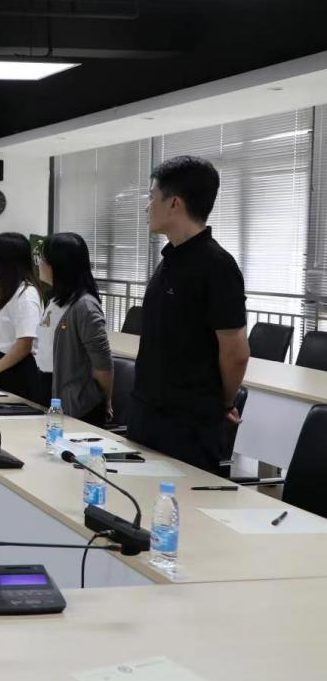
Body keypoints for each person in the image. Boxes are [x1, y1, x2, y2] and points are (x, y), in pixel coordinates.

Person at [130, 155, 248, 473]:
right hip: (146, 412)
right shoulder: (169, 260)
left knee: (178, 501)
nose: (147, 207)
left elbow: (236, 352)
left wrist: (223, 403)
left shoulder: (217, 266)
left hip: (186, 424)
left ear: (174, 203)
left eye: (152, 197)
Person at [36, 232, 114, 424]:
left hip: (75, 404)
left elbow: (102, 364)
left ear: (59, 265)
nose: (39, 263)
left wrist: (106, 401)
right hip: (47, 389)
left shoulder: (84, 306)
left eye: (43, 258)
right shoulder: (54, 298)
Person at [0, 233, 41, 400]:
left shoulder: (26, 296)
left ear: (5, 260)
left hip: (14, 372)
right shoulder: (7, 291)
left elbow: (24, 345)